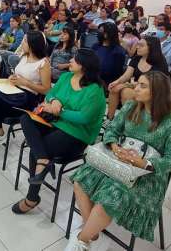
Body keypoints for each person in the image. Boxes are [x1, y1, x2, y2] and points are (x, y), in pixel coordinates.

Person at [67, 72, 171, 250]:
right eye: (137, 83)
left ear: (158, 92)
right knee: (80, 181)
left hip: (147, 175)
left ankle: (81, 240)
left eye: (142, 86)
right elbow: (111, 129)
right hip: (119, 162)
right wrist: (114, 146)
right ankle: (91, 230)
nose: (135, 88)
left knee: (110, 197)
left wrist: (145, 163)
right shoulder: (131, 106)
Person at [11, 49, 106, 216]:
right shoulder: (65, 77)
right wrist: (53, 100)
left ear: (84, 66)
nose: (70, 61)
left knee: (37, 149)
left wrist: (59, 112)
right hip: (55, 123)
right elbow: (51, 93)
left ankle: (32, 198)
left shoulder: (95, 90)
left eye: (74, 60)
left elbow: (84, 118)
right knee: (26, 118)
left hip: (77, 134)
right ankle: (43, 160)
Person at [107, 37, 168, 119]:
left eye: (141, 45)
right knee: (114, 88)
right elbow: (126, 75)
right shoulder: (137, 58)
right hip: (135, 85)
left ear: (151, 48)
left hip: (150, 90)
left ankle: (126, 121)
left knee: (126, 92)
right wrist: (117, 82)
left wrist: (130, 85)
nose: (137, 47)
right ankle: (110, 118)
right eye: (138, 44)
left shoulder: (160, 63)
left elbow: (156, 85)